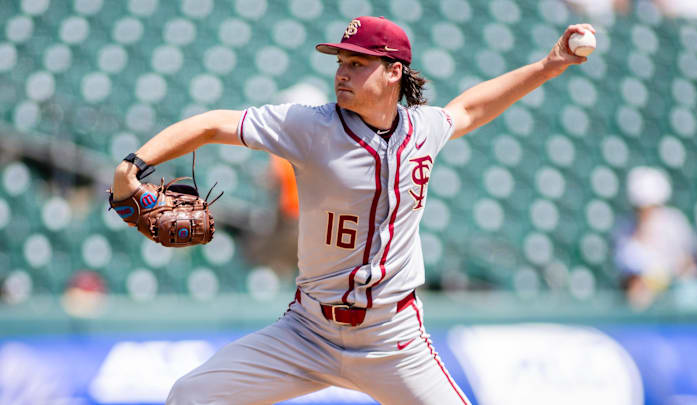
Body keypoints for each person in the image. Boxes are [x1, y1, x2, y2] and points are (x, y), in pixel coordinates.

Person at [112, 16, 593, 405]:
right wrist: (136, 163)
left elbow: (471, 109)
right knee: (191, 395)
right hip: (308, 331)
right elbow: (215, 124)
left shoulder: (424, 129)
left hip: (393, 338)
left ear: (393, 71)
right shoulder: (309, 125)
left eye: (358, 62)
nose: (342, 71)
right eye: (341, 60)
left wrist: (550, 65)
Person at [614, 166, 697, 309]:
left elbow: (687, 263)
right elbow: (629, 270)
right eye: (640, 207)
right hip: (644, 297)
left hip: (677, 292)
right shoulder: (625, 228)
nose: (645, 212)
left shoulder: (675, 223)